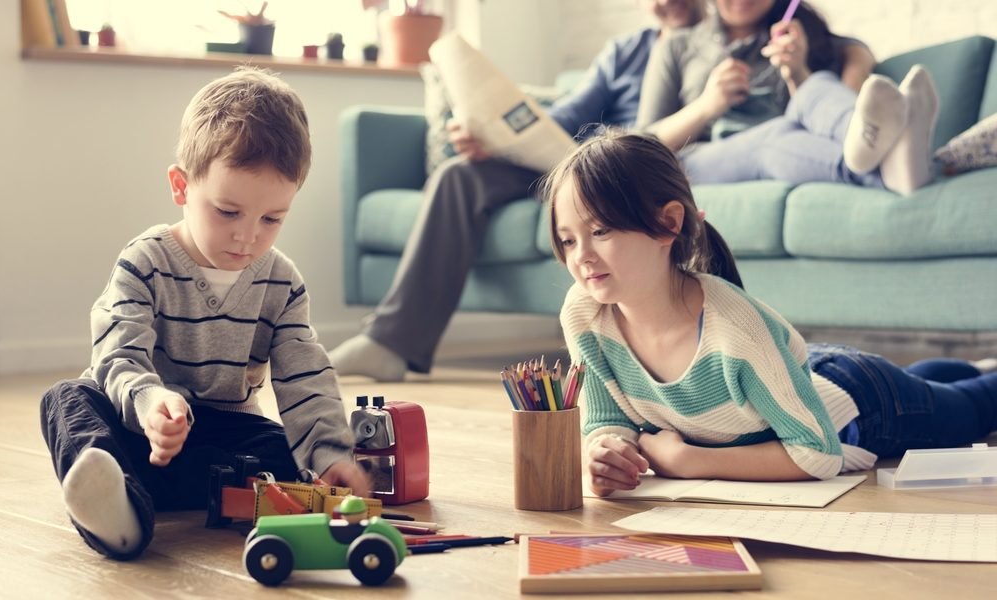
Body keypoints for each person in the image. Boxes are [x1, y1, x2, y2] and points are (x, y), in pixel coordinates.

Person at [542, 130, 997, 497]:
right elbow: (606, 420)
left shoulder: (736, 328)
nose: (580, 256)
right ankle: (951, 372)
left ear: (668, 224)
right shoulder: (585, 315)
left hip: (865, 402)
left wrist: (691, 461)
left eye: (599, 230)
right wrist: (605, 451)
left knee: (976, 408)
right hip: (795, 379)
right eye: (567, 239)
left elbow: (817, 454)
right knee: (932, 381)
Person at [39, 67, 371, 560]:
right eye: (228, 212)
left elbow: (304, 373)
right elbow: (118, 355)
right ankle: (117, 507)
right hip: (137, 424)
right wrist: (151, 403)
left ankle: (164, 489)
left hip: (220, 429)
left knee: (286, 451)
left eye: (272, 219)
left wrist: (329, 455)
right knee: (66, 400)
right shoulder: (145, 262)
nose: (248, 237)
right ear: (181, 186)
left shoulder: (280, 282)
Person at [329, 0, 707, 382]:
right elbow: (565, 117)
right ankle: (390, 342)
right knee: (459, 175)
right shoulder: (625, 52)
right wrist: (497, 139)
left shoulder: (711, 48)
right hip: (568, 166)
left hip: (626, 179)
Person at [636, 0, 938, 195]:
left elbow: (853, 49)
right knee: (776, 135)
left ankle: (874, 140)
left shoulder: (798, 35)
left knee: (815, 85)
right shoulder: (678, 46)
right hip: (698, 158)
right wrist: (706, 105)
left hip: (791, 140)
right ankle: (892, 166)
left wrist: (797, 71)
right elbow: (641, 144)